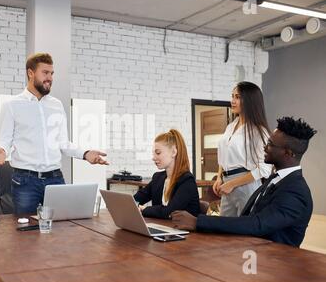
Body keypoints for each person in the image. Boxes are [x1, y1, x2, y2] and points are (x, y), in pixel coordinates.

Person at [0, 53, 108, 214]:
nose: (49, 78)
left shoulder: (56, 105)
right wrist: (1, 150)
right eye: (45, 73)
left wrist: (86, 154)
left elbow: (63, 143)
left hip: (55, 178)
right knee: (26, 231)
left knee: (61, 228)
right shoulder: (12, 105)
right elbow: (5, 140)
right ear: (31, 73)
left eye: (51, 74)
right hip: (25, 181)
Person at [171, 117, 316, 247]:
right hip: (251, 251)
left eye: (270, 144)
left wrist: (198, 222)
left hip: (273, 264)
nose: (264, 147)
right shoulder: (276, 179)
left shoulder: (295, 191)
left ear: (288, 153)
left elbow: (257, 224)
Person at [213, 81, 272, 216]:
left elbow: (264, 169)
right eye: (232, 96)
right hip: (226, 183)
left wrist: (233, 184)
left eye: (238, 97)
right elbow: (224, 156)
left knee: (243, 232)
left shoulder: (259, 131)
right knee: (224, 230)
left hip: (246, 184)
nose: (232, 101)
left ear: (250, 101)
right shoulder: (230, 126)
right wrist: (219, 177)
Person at [134, 129, 200, 219]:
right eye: (153, 154)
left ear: (173, 152)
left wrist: (144, 209)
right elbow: (137, 198)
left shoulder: (187, 181)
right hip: (163, 228)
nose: (153, 158)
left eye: (158, 153)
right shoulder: (158, 177)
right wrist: (129, 204)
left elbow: (169, 212)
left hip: (186, 232)